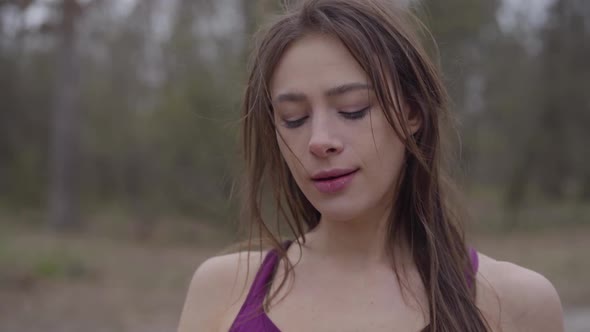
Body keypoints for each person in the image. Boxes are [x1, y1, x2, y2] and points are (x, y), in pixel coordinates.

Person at [177, 0, 564, 331]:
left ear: (412, 111)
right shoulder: (225, 290)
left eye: (353, 110)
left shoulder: (514, 302)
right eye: (293, 118)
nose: (319, 141)